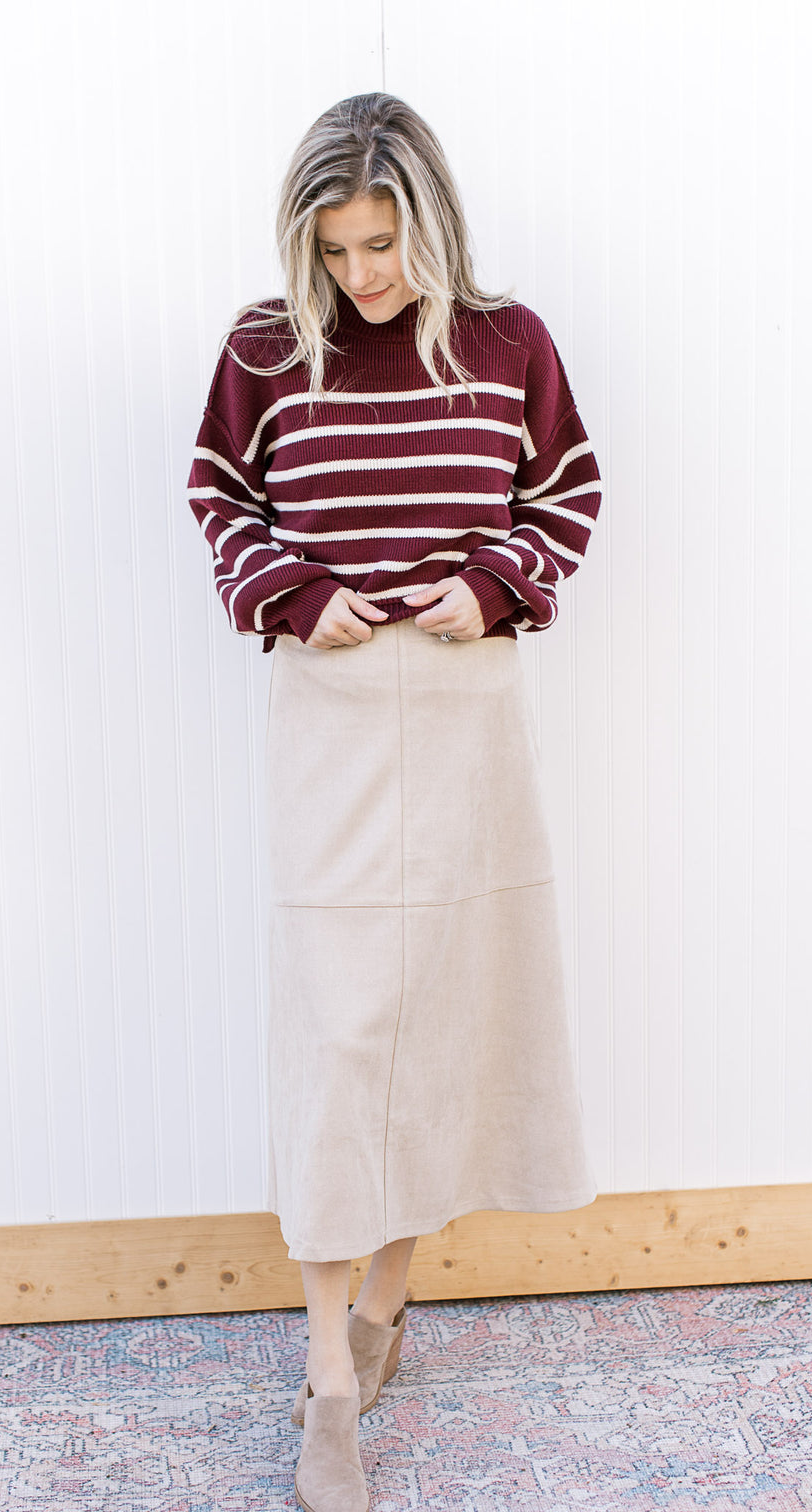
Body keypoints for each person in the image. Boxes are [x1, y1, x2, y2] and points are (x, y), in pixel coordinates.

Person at [187, 91, 602, 1512]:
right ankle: (325, 1376)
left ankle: (390, 1308)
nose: (364, 276)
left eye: (385, 243)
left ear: (433, 223)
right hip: (335, 713)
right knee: (340, 1032)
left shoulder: (509, 344)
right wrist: (298, 597)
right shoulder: (266, 347)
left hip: (471, 704)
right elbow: (219, 498)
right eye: (340, 247)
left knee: (448, 1013)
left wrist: (489, 588)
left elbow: (567, 493)